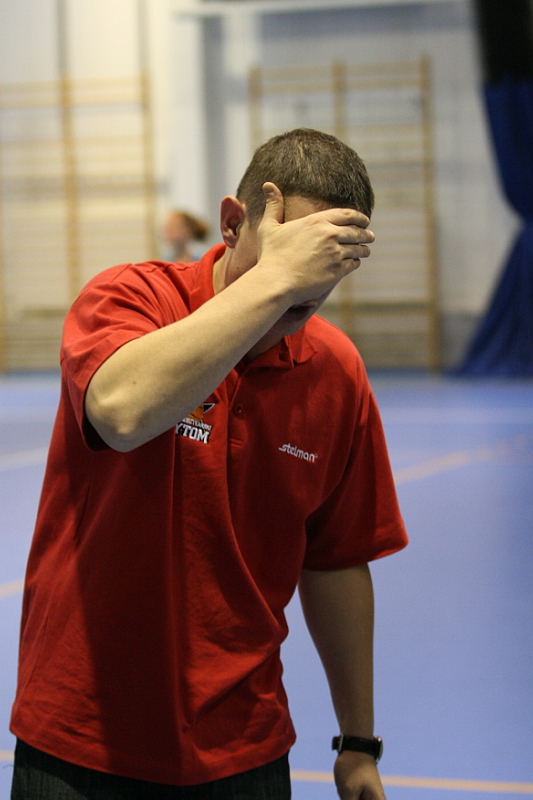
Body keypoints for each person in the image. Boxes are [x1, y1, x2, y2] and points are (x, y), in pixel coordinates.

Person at [10, 128, 408, 800]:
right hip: (81, 734)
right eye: (294, 251)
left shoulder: (336, 372)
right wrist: (276, 280)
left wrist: (358, 743)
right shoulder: (130, 298)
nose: (310, 284)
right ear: (232, 223)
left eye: (331, 262)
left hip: (243, 746)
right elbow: (123, 412)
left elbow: (335, 560)